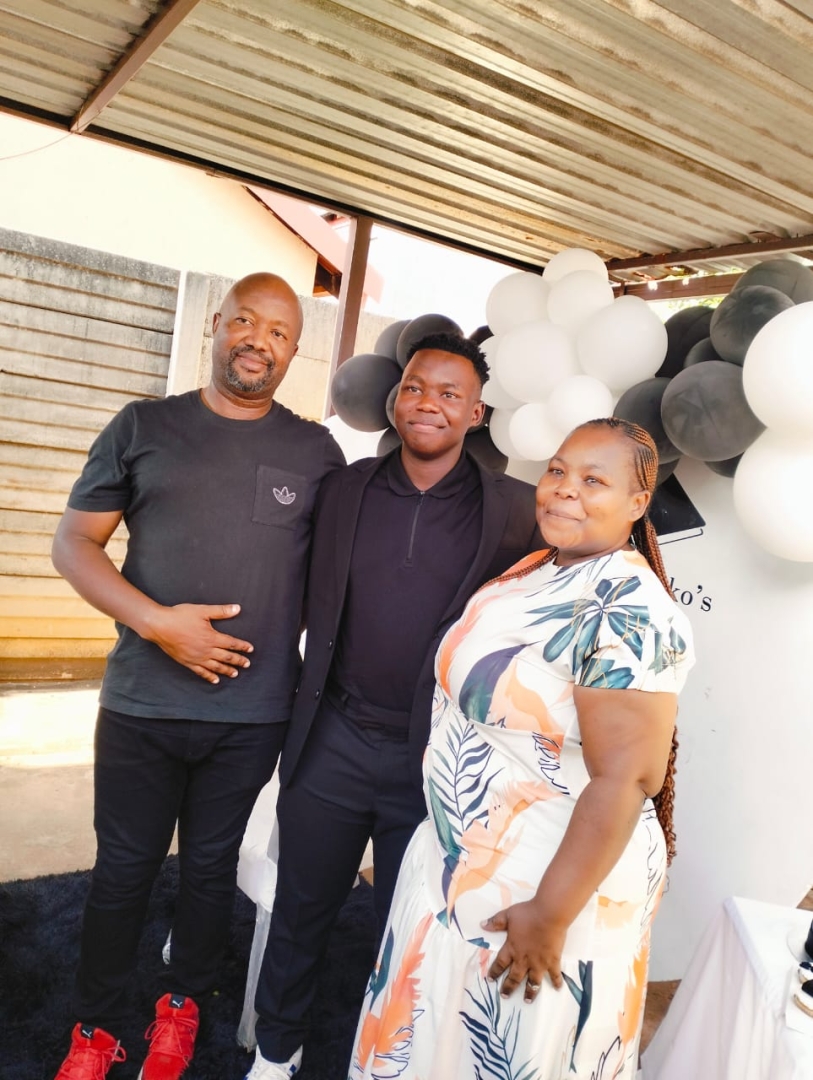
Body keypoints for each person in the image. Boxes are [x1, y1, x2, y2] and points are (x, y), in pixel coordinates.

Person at [49, 273, 345, 1080]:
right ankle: (96, 1028)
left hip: (252, 715)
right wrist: (158, 624)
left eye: (278, 332)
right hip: (141, 704)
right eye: (245, 321)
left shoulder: (314, 453)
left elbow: (341, 570)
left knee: (211, 870)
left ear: (294, 350)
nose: (258, 341)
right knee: (123, 869)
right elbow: (74, 544)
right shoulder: (143, 426)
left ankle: (179, 1011)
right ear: (217, 324)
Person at [347, 417, 695, 1080]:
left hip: (544, 891)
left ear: (637, 503)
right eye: (557, 470)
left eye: (593, 480)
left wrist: (549, 914)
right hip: (464, 860)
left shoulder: (629, 610)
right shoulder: (539, 567)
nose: (564, 488)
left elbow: (625, 778)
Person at [245, 332, 542, 1079]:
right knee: (302, 908)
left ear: (476, 413)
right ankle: (276, 1051)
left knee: (407, 927)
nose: (427, 403)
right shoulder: (343, 489)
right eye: (414, 387)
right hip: (334, 739)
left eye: (449, 393)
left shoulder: (514, 511)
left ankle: (386, 1056)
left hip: (436, 757)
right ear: (394, 399)